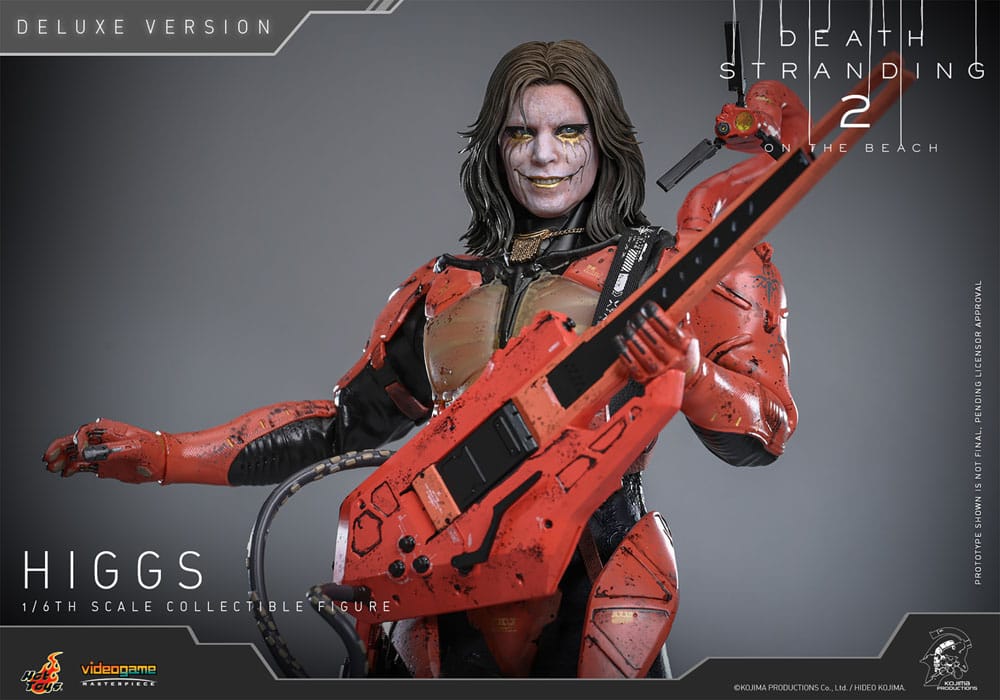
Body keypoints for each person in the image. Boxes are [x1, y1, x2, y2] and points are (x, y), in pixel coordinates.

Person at [44, 40, 801, 678]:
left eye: (569, 132)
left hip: (590, 583)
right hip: (436, 583)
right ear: (495, 146)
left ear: (605, 142)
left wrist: (693, 375)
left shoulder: (672, 271)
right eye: (521, 133)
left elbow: (763, 429)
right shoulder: (443, 288)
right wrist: (167, 454)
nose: (543, 154)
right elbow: (341, 427)